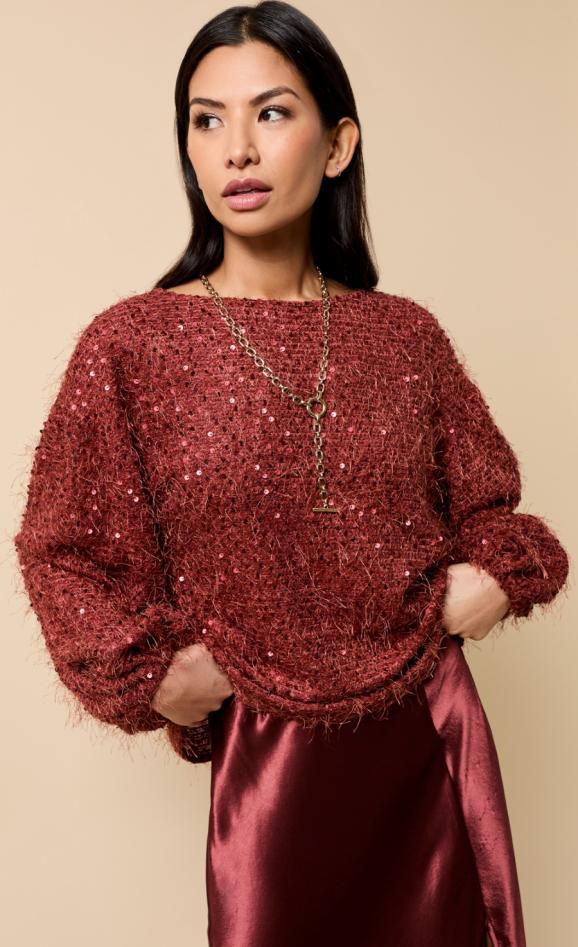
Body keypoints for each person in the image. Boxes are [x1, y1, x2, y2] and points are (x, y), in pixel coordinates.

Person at [13, 3, 569, 946]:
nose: (237, 149)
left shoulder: (404, 338)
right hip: (266, 763)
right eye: (206, 119)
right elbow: (60, 548)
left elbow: (498, 514)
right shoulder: (133, 345)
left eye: (271, 113)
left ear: (338, 143)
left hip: (428, 741)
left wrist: (494, 579)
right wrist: (153, 675)